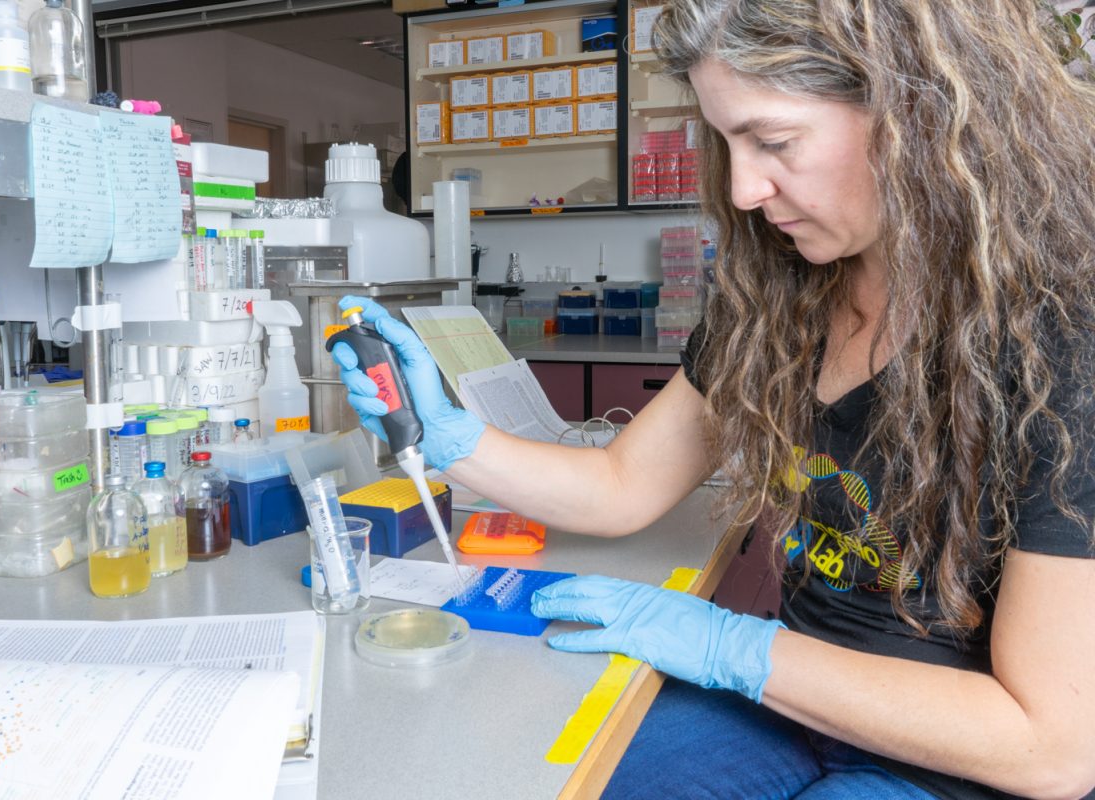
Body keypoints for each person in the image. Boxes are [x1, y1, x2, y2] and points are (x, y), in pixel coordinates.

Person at [332, 1, 1095, 796]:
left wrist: (732, 648)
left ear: (919, 112)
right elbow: (621, 485)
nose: (742, 188)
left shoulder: (1065, 339)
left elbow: (1052, 749)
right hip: (789, 701)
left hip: (959, 754)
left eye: (773, 141)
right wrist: (448, 436)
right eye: (725, 142)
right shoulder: (776, 298)